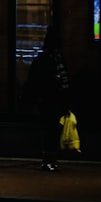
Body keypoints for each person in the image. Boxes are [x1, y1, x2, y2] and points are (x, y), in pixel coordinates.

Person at [27, 26, 71, 172]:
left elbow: (34, 81)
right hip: (53, 100)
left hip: (49, 100)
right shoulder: (57, 58)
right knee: (52, 130)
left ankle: (49, 159)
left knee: (50, 130)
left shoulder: (44, 59)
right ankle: (50, 159)